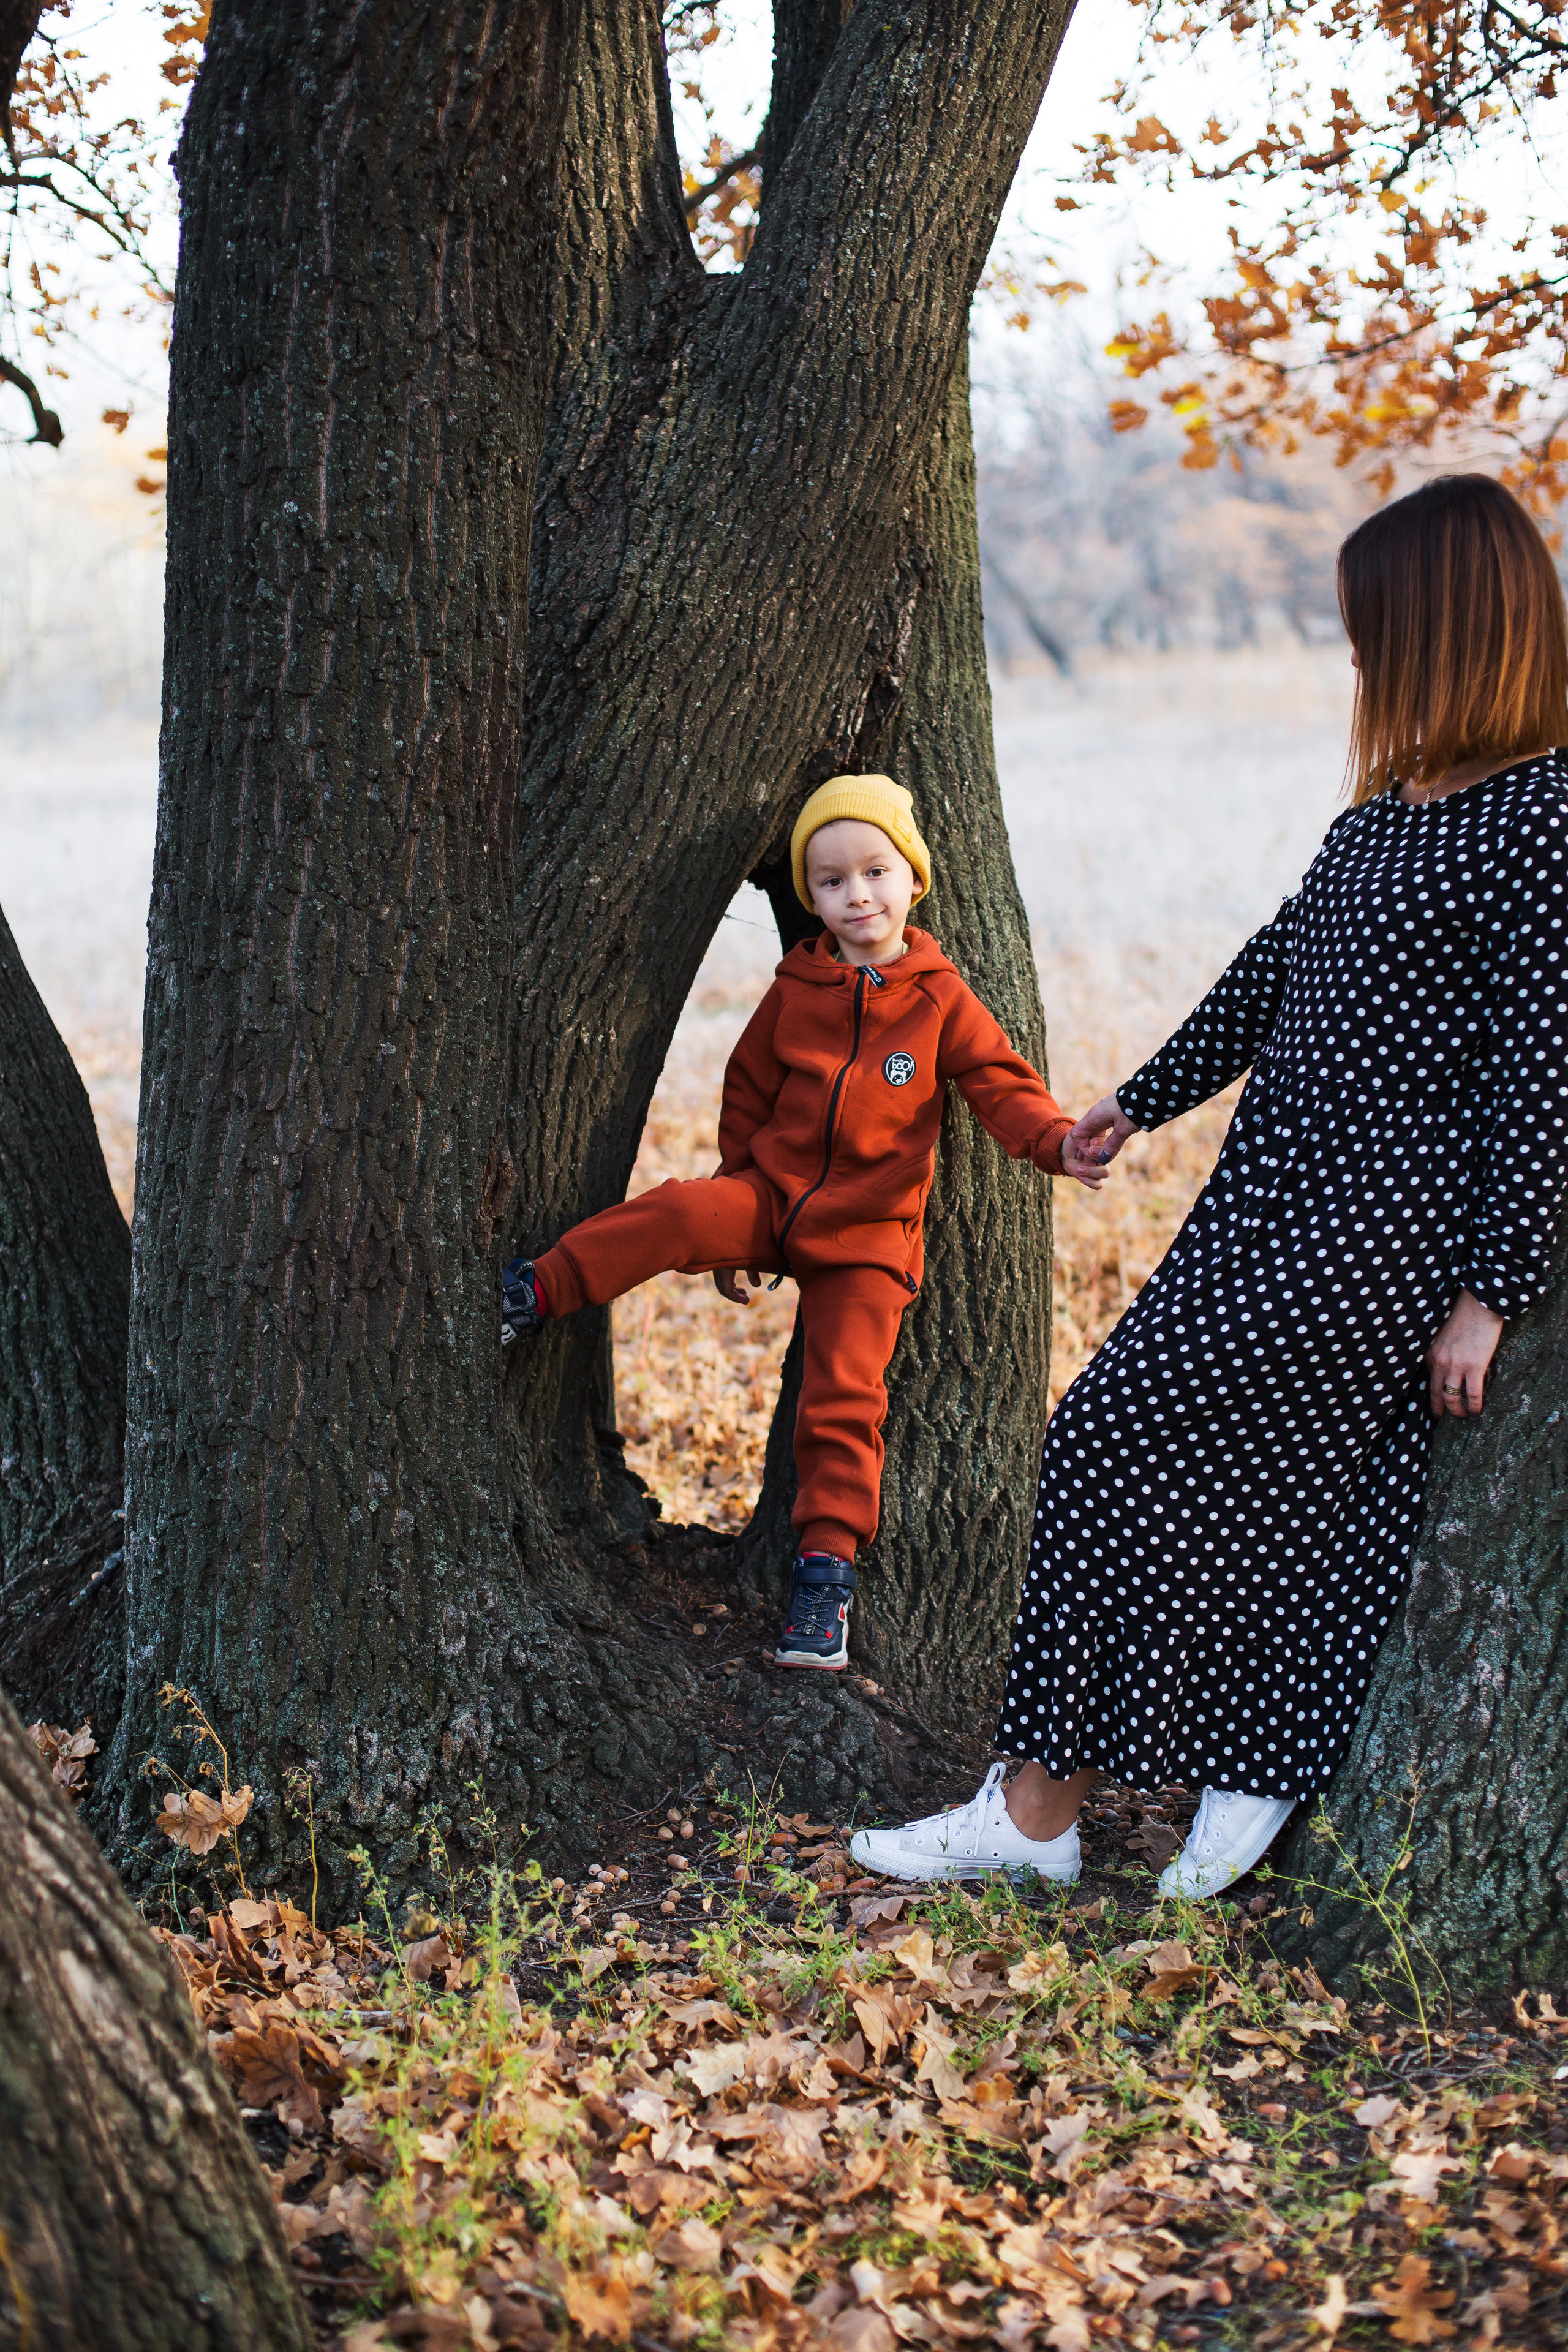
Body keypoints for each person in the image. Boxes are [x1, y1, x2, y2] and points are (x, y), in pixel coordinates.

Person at [851, 472, 1568, 1893]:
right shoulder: (1383, 812)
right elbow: (1273, 968)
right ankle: (1187, 1774)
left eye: (1372, 625)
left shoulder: (1541, 820)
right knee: (1214, 1463)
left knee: (1176, 1447)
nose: (1356, 654)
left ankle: (1090, 1797)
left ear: (1448, 622)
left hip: (1382, 1229)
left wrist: (1490, 1294)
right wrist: (1140, 1098)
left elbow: (1539, 1078)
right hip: (1260, 1202)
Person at [504, 774, 1108, 1668]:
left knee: (842, 1395)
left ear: (913, 878)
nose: (856, 895)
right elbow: (747, 1089)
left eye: (875, 872)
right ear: (810, 898)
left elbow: (1000, 1085)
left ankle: (824, 1582)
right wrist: (732, 1200)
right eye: (830, 882)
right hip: (773, 1197)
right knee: (671, 1211)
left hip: (868, 1240)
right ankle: (532, 1291)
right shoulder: (796, 988)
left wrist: (1059, 1144)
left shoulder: (940, 999)